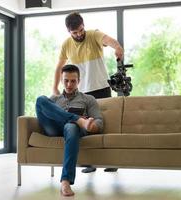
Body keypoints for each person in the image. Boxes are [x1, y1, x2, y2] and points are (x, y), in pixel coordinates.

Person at [52, 11, 123, 173]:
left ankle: (112, 162)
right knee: (86, 127)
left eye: (81, 30)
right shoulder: (66, 44)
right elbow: (59, 66)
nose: (79, 34)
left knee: (106, 125)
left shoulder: (93, 35)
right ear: (69, 32)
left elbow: (109, 40)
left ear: (84, 26)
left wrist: (117, 46)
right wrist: (54, 87)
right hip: (82, 92)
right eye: (75, 33)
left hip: (101, 87)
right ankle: (90, 163)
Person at [36, 64, 103, 196]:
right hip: (54, 128)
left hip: (72, 131)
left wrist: (91, 126)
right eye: (66, 80)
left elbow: (99, 122)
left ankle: (65, 181)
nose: (69, 84)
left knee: (71, 126)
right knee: (40, 100)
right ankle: (77, 119)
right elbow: (43, 109)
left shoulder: (88, 99)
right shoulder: (54, 100)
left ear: (79, 81)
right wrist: (79, 119)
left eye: (73, 81)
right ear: (61, 80)